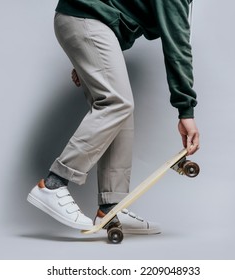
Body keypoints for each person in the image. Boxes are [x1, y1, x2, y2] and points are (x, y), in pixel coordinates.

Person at [27, 0, 200, 235]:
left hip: (87, 20)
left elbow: (119, 12)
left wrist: (87, 58)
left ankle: (112, 208)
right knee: (117, 102)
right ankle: (53, 184)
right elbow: (177, 47)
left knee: (121, 110)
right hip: (85, 18)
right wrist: (186, 111)